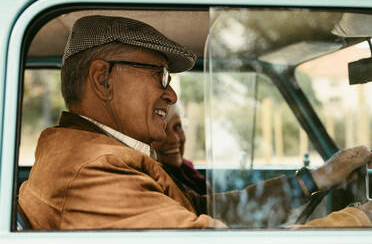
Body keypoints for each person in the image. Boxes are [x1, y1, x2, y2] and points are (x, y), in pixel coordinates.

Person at [18, 15, 372, 230]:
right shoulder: (94, 170)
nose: (171, 96)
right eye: (159, 75)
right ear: (102, 79)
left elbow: (200, 210)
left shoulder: (92, 155)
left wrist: (316, 178)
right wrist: (360, 219)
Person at [152, 103, 206, 195]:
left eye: (177, 127)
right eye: (163, 130)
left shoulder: (188, 171)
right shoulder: (154, 183)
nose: (175, 139)